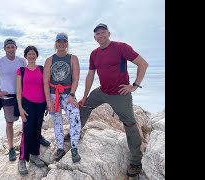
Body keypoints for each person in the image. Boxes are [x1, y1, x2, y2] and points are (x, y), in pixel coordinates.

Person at [78, 23, 149, 177]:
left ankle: (136, 161)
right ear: (94, 37)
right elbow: (90, 75)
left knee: (129, 123)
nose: (101, 36)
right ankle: (75, 133)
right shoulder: (94, 54)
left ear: (109, 34)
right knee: (83, 107)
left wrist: (134, 85)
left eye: (103, 33)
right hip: (102, 91)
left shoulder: (121, 47)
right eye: (98, 34)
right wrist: (85, 96)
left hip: (120, 94)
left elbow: (142, 63)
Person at [0, 39, 50, 162]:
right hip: (8, 97)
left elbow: (29, 74)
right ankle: (11, 148)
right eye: (8, 47)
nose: (10, 49)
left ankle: (37, 136)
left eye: (12, 47)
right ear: (4, 49)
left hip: (24, 96)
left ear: (16, 48)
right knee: (10, 123)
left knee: (31, 120)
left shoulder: (21, 61)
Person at [43, 32, 81, 163]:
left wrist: (71, 95)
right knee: (57, 122)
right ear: (56, 44)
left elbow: (76, 79)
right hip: (54, 95)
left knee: (75, 118)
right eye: (59, 42)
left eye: (64, 42)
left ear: (67, 44)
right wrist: (48, 100)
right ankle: (60, 148)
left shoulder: (72, 58)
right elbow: (46, 82)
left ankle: (74, 147)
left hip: (68, 94)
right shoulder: (49, 60)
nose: (61, 44)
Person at [16, 45, 47, 175]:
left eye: (34, 54)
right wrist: (20, 108)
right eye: (29, 54)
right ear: (26, 56)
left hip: (41, 103)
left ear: (37, 55)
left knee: (37, 130)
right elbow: (18, 90)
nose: (32, 56)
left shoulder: (41, 69)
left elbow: (45, 86)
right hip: (27, 103)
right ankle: (22, 159)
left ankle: (34, 155)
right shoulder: (21, 70)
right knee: (27, 131)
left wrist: (47, 104)